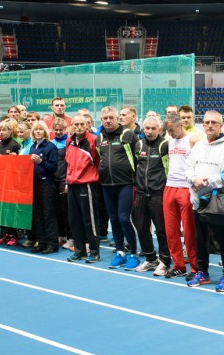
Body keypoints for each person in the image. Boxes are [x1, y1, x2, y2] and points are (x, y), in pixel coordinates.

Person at [186, 111, 224, 291]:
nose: (210, 125)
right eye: (207, 122)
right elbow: (188, 168)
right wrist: (193, 179)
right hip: (198, 201)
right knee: (200, 239)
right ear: (203, 125)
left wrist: (203, 182)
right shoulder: (198, 146)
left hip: (218, 202)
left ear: (220, 126)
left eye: (214, 123)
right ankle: (202, 272)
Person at [97, 106, 140, 269]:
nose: (108, 121)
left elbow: (138, 158)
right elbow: (100, 158)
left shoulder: (128, 135)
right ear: (101, 120)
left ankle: (133, 254)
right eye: (105, 118)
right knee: (114, 219)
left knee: (124, 218)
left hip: (125, 184)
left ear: (117, 119)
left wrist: (136, 180)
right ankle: (120, 252)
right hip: (107, 185)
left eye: (111, 118)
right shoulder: (99, 138)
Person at [133, 116, 171, 275]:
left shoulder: (165, 145)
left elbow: (169, 168)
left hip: (158, 194)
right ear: (143, 129)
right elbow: (136, 166)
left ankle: (165, 261)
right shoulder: (139, 144)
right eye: (147, 128)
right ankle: (150, 258)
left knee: (161, 230)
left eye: (153, 128)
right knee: (141, 227)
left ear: (159, 129)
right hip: (142, 193)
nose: (150, 131)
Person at [162, 113, 197, 277]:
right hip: (170, 187)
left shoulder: (192, 140)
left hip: (186, 187)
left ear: (180, 124)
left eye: (171, 129)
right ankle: (178, 265)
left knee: (189, 231)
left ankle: (196, 267)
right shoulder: (170, 141)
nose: (170, 133)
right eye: (167, 130)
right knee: (171, 230)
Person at [66, 114, 102, 263]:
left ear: (87, 125)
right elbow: (68, 162)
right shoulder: (69, 141)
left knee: (90, 220)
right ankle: (80, 251)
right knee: (74, 220)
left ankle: (94, 252)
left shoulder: (93, 140)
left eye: (82, 124)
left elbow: (99, 162)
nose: (79, 127)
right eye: (76, 124)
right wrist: (67, 182)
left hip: (87, 184)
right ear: (72, 126)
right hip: (71, 184)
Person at [27, 121, 60, 254]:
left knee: (48, 215)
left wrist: (41, 162)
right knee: (37, 215)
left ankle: (52, 244)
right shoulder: (32, 147)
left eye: (41, 129)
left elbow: (54, 168)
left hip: (47, 184)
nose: (38, 132)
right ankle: (41, 242)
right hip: (35, 184)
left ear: (45, 132)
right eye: (36, 130)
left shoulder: (50, 147)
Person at [0, 119, 23, 245]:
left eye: (4, 130)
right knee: (1, 208)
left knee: (10, 209)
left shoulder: (15, 145)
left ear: (10, 131)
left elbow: (18, 164)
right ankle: (5, 234)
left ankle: (13, 235)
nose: (1, 132)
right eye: (0, 130)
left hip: (11, 181)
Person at [51, 117, 72, 249]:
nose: (58, 132)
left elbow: (71, 163)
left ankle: (71, 237)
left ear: (66, 129)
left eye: (61, 130)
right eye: (56, 130)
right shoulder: (51, 143)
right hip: (53, 180)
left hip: (64, 180)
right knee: (56, 209)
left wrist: (67, 181)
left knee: (66, 211)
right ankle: (60, 235)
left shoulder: (68, 143)